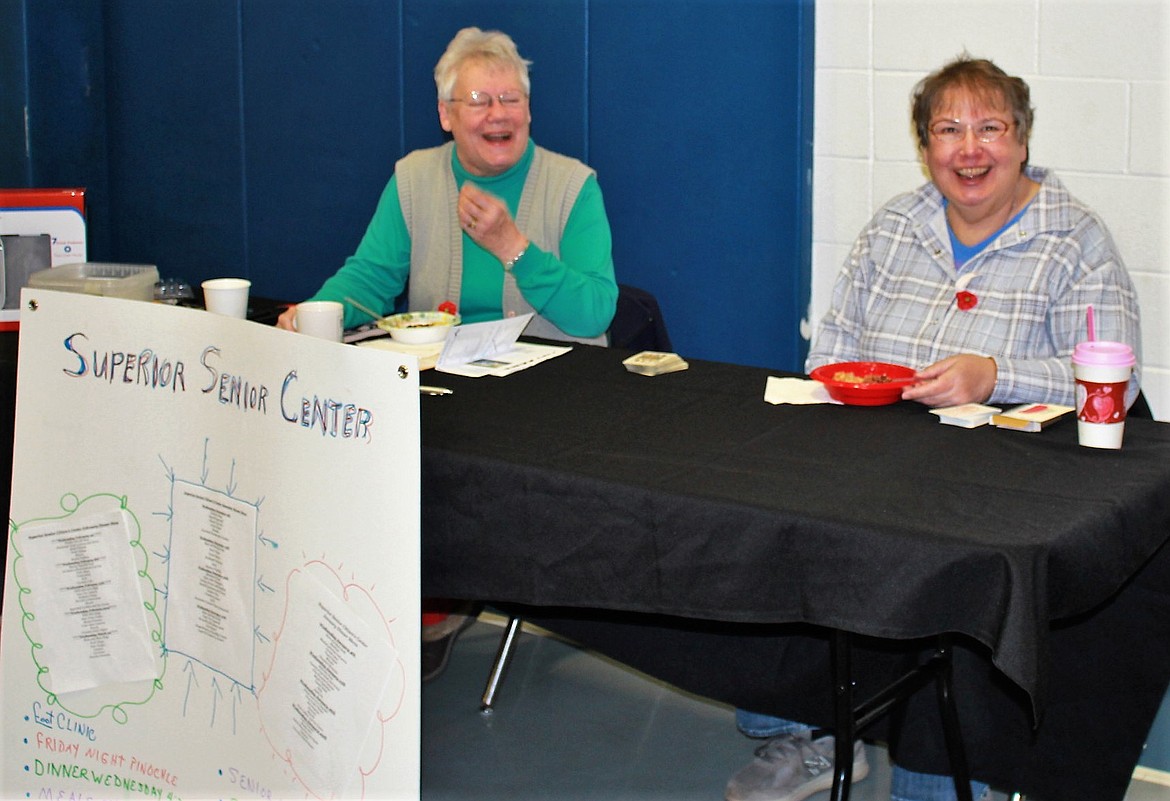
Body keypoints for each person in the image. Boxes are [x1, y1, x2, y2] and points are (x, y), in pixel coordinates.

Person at [725, 54, 1142, 801]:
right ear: (925, 148)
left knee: (964, 594)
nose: (969, 149)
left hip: (1004, 488)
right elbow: (830, 351)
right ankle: (809, 729)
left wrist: (994, 373)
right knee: (770, 527)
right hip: (881, 465)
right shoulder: (895, 226)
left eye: (990, 128)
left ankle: (948, 769)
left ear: (1022, 141)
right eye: (948, 130)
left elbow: (1113, 382)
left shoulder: (1074, 238)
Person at [278, 26, 619, 681]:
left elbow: (594, 311)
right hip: (445, 379)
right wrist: (315, 316)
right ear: (446, 115)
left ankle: (440, 600)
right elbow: (369, 278)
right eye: (480, 101)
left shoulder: (573, 186)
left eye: (511, 99)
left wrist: (514, 245)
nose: (499, 114)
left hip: (555, 390)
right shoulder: (414, 179)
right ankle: (391, 611)